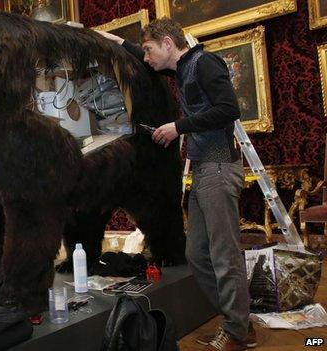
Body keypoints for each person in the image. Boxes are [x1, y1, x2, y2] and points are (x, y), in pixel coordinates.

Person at [97, 18, 256, 351]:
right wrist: (107, 38)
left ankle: (238, 332)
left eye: (152, 50)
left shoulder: (204, 63)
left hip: (218, 167)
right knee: (196, 253)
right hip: (202, 170)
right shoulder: (182, 68)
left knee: (224, 255)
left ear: (168, 44)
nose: (146, 58)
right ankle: (238, 319)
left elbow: (229, 109)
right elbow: (138, 50)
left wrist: (177, 127)